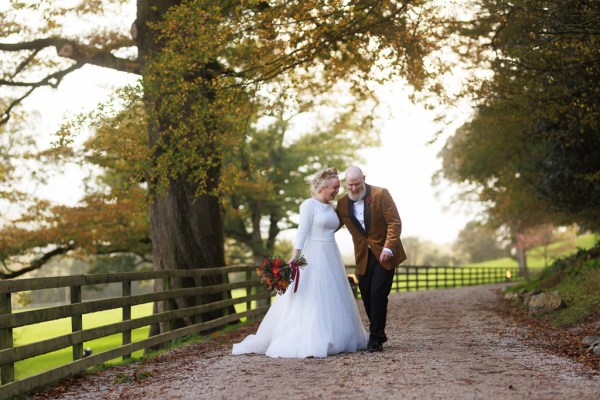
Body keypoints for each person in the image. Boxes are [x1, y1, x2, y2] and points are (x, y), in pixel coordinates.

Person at [232, 167, 368, 358]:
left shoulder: (332, 208)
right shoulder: (309, 205)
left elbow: (334, 227)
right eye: (335, 187)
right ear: (324, 185)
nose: (338, 191)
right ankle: (312, 338)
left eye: (338, 187)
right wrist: (296, 255)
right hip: (313, 255)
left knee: (332, 295)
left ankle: (336, 336)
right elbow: (302, 231)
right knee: (313, 295)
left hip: (331, 253)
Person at [335, 165, 406, 352]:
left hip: (384, 254)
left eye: (357, 184)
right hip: (362, 257)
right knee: (366, 296)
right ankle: (379, 333)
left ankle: (375, 337)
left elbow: (394, 222)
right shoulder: (342, 204)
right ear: (346, 183)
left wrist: (389, 247)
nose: (353, 188)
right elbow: (331, 224)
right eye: (350, 185)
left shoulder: (380, 194)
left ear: (364, 178)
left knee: (377, 294)